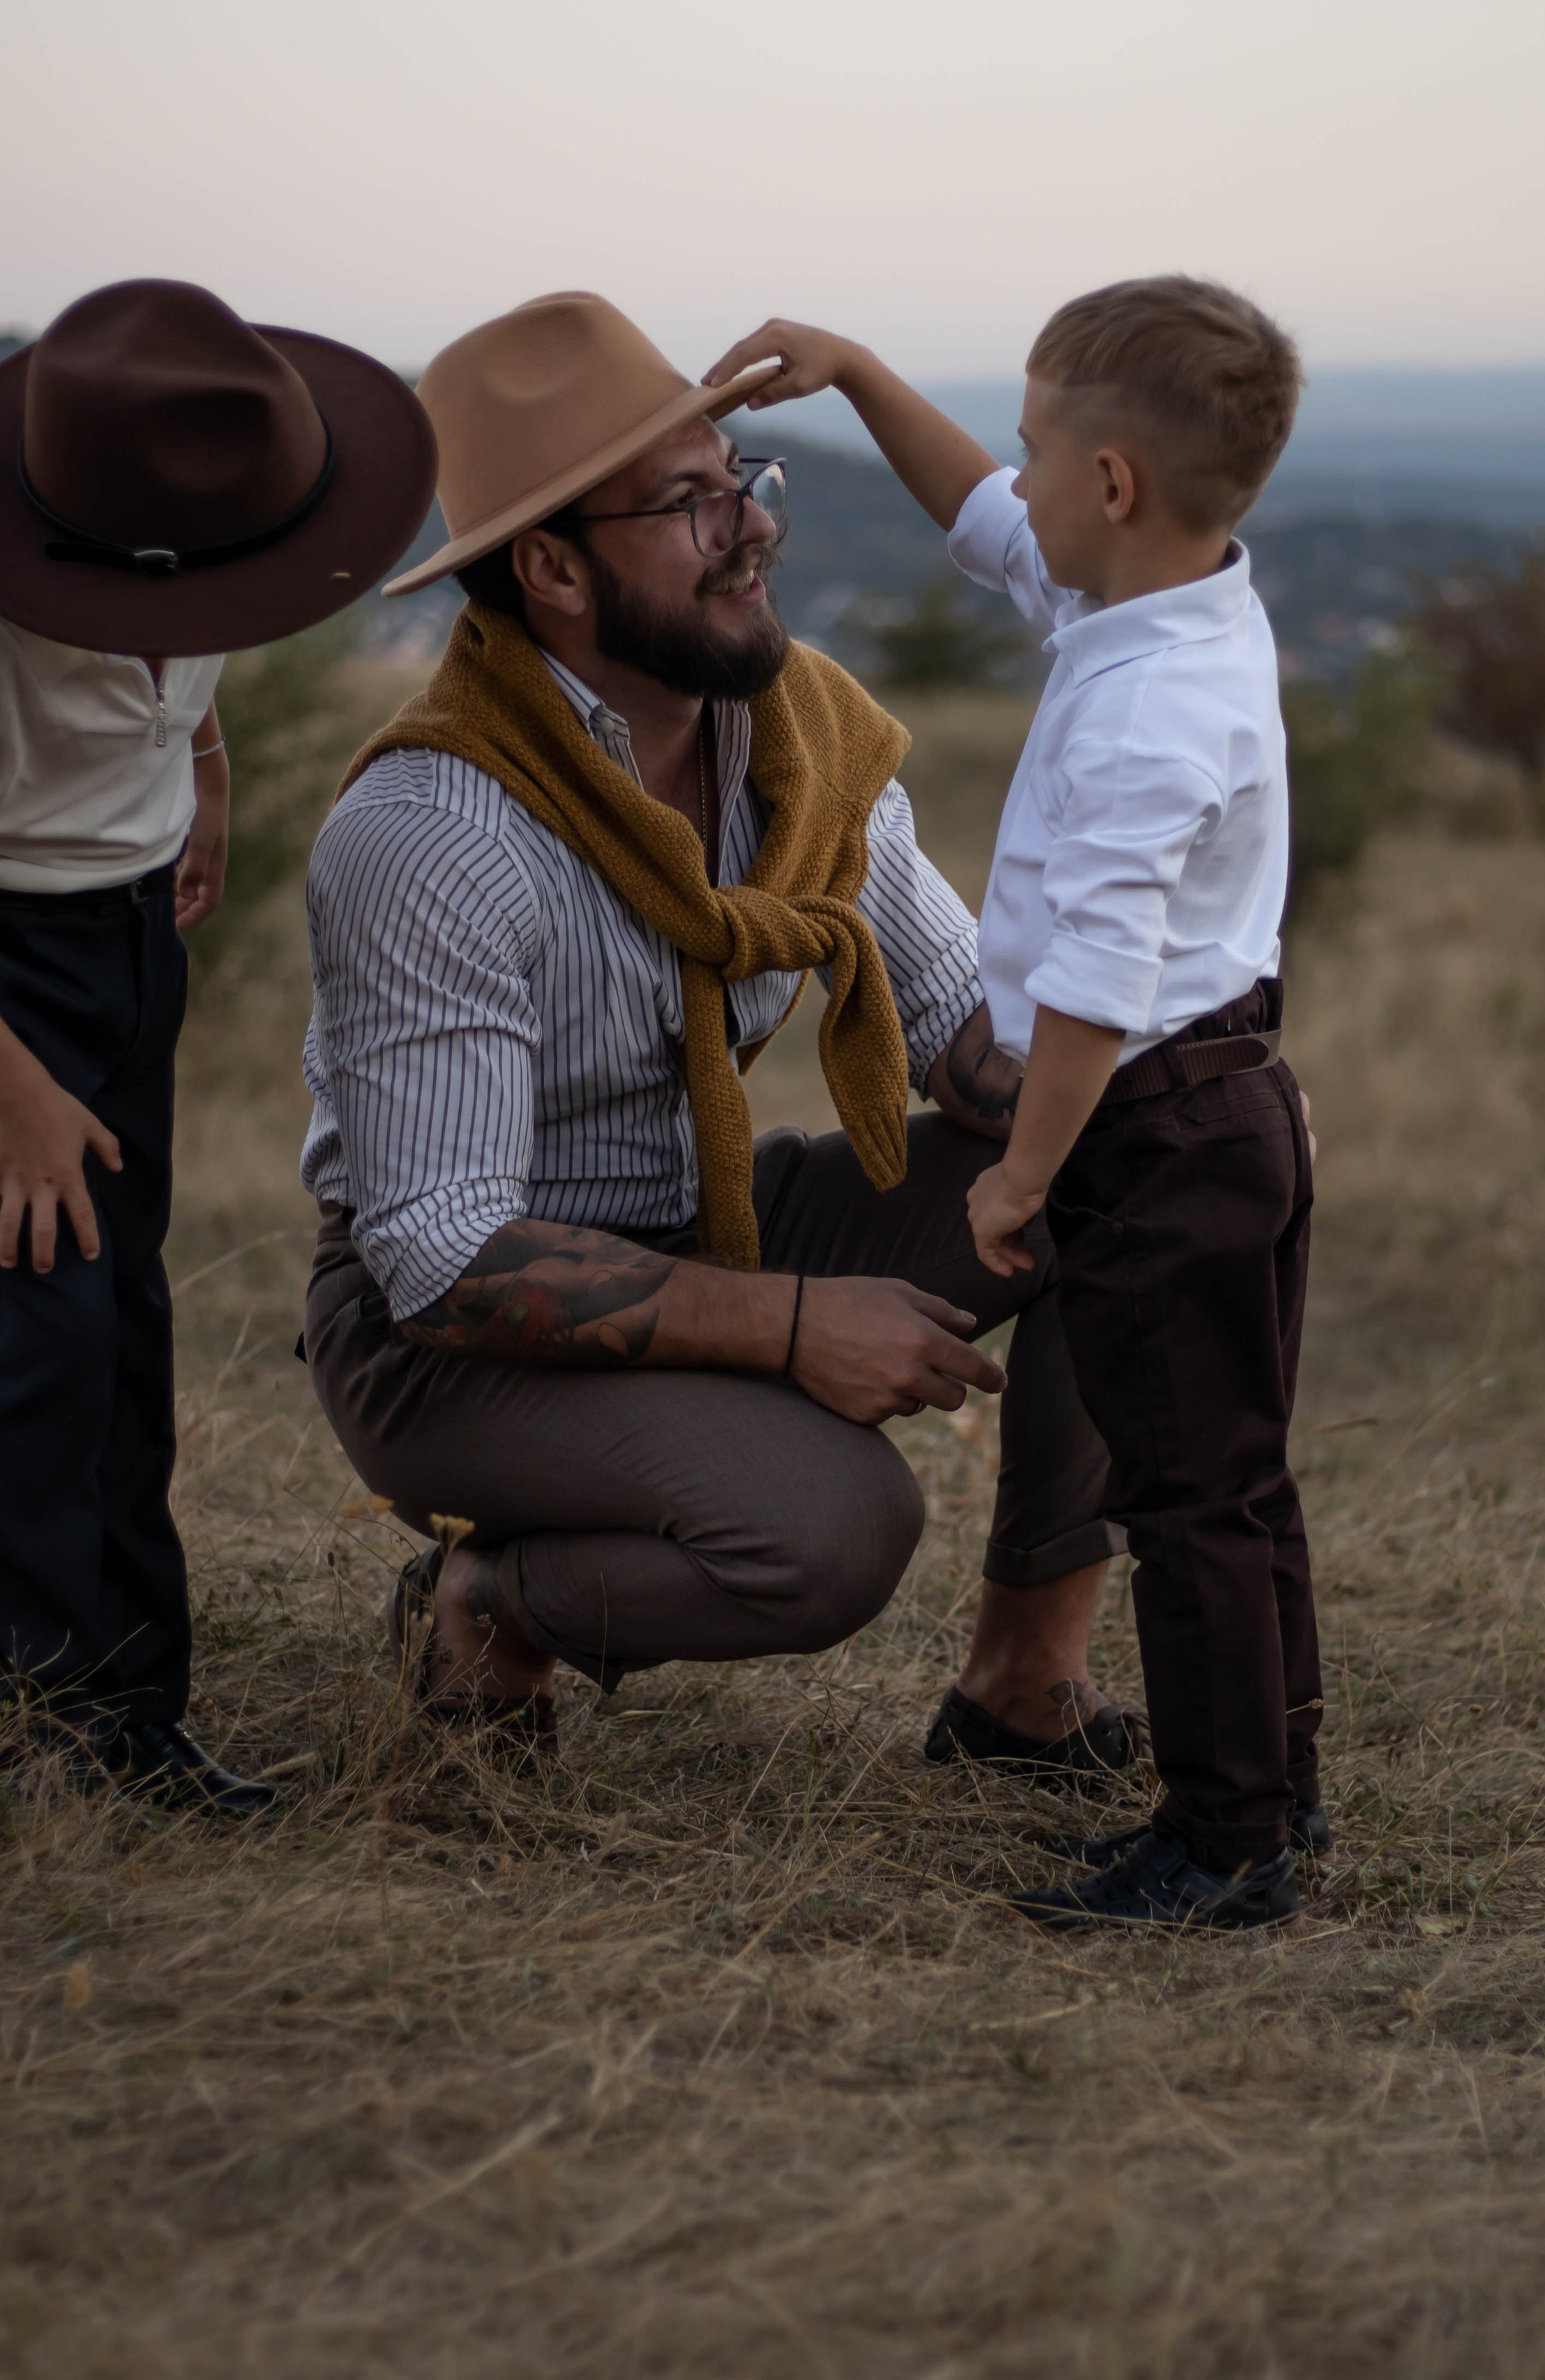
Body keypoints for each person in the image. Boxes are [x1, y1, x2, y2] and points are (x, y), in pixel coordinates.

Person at [300, 291, 1136, 1765]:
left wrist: (1185, 1112)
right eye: (691, 504)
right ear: (552, 566)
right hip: (446, 1338)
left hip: (714, 1216)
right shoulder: (434, 831)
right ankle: (486, 1604)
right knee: (831, 1528)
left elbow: (962, 1030)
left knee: (1137, 1173)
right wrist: (796, 1328)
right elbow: (438, 1255)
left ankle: (1020, 1691)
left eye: (742, 479)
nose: (752, 527)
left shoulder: (799, 739)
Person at [707, 277, 1322, 1930]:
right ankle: (1278, 1787)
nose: (1015, 475)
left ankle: (1222, 1844)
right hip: (1228, 1101)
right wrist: (853, 373)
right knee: (1238, 1483)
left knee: (1182, 1498)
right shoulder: (1174, 601)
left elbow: (1095, 990)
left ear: (1110, 484)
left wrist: (1017, 1178)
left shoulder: (1138, 709)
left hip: (1152, 1128)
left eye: (1038, 446)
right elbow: (981, 513)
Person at [0, 278, 435, 1814]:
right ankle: (47, 1702)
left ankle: (136, 1700)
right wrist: (15, 1095)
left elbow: (189, 666)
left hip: (129, 946)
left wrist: (206, 780)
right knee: (41, 1331)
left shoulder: (201, 547)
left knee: (126, 1315)